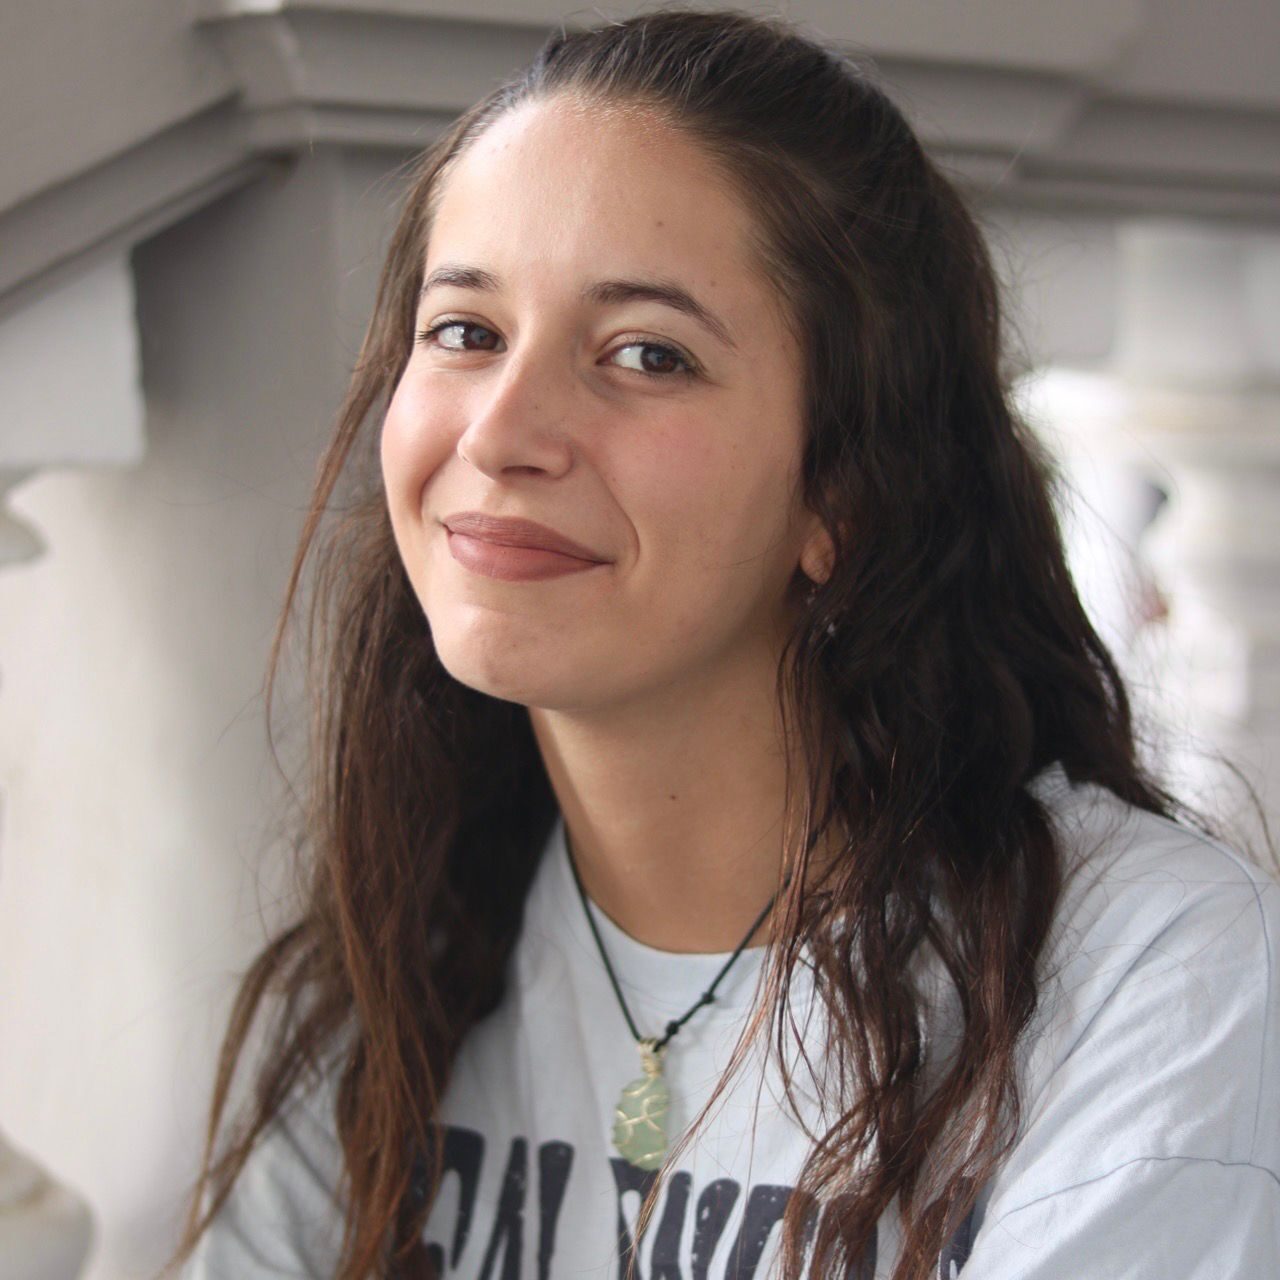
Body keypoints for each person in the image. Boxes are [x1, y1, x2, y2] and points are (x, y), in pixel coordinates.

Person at [164, 9, 1280, 1279]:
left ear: (843, 491)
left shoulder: (1145, 967)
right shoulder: (397, 967)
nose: (500, 433)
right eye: (465, 331)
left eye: (648, 355)